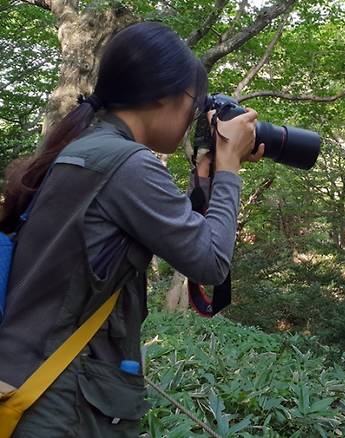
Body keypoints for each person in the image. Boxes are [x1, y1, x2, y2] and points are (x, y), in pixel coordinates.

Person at [0, 21, 263, 436]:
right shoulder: (127, 163)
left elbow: (185, 235)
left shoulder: (85, 148)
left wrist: (206, 175)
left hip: (30, 381)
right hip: (60, 403)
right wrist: (229, 169)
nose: (193, 115)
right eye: (193, 104)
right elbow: (210, 262)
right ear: (164, 95)